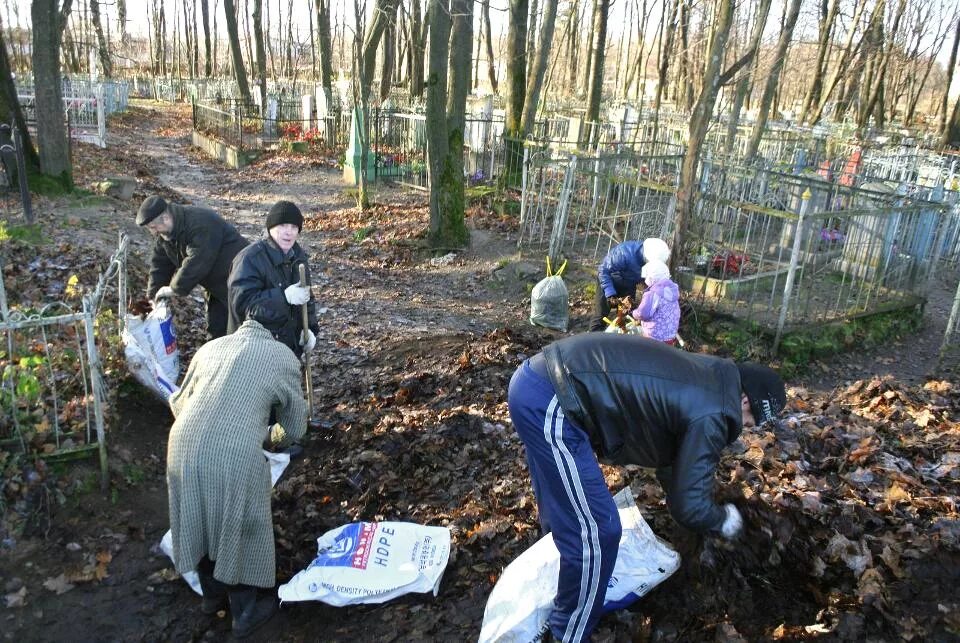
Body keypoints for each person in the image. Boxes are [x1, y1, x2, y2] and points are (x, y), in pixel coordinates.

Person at [507, 333, 786, 642]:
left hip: (538, 378)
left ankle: (556, 571)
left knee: (567, 508)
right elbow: (690, 507)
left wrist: (695, 497)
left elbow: (674, 468)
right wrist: (723, 520)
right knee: (598, 533)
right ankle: (568, 634)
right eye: (751, 419)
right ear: (745, 400)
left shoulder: (708, 377)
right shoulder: (715, 412)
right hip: (554, 401)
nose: (746, 428)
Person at [166, 319, 307, 638]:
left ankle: (212, 597)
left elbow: (177, 403)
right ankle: (245, 612)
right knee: (241, 523)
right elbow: (296, 428)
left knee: (198, 514)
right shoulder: (283, 356)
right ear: (278, 333)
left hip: (181, 444)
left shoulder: (210, 347)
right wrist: (269, 436)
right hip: (234, 453)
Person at [136, 195, 249, 339]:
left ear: (165, 218)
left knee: (243, 329)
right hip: (217, 287)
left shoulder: (201, 223)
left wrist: (174, 288)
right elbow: (160, 266)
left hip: (242, 280)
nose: (152, 232)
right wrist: (152, 296)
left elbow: (197, 260)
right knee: (216, 332)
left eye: (153, 227)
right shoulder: (166, 235)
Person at [227, 200, 319, 359]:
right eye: (283, 226)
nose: (288, 232)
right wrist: (283, 297)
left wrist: (310, 329)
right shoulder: (249, 259)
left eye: (294, 227)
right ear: (270, 228)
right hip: (251, 350)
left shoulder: (299, 258)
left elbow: (306, 299)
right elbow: (243, 307)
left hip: (287, 350)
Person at [591, 238, 671, 331]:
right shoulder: (625, 253)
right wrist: (610, 293)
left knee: (626, 316)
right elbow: (603, 270)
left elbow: (650, 280)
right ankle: (593, 339)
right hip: (610, 280)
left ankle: (622, 340)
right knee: (601, 315)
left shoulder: (653, 260)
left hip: (629, 284)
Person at [631, 259, 680, 345]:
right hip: (670, 336)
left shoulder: (653, 294)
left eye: (646, 277)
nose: (645, 280)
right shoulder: (672, 291)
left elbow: (643, 314)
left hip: (654, 337)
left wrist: (633, 313)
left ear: (652, 278)